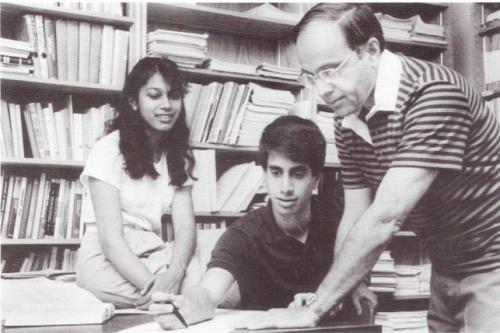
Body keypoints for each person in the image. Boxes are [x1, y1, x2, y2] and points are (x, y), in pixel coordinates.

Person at [234, 3, 500, 332]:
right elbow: (356, 215)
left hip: (493, 265)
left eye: (332, 70)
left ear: (371, 50)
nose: (323, 89)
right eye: (313, 76)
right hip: (445, 267)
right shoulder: (348, 119)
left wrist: (315, 309)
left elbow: (386, 217)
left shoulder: (433, 93)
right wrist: (340, 289)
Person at [149, 115, 377, 330]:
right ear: (264, 174)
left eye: (297, 174)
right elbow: (209, 292)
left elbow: (358, 267)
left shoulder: (341, 220)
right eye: (276, 173)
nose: (285, 188)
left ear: (315, 177)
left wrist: (357, 285)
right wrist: (182, 307)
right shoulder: (242, 235)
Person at [76, 57, 197, 309]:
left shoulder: (178, 155)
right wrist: (156, 287)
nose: (167, 105)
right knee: (188, 295)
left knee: (213, 273)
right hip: (108, 256)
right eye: (154, 96)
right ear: (133, 101)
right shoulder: (108, 149)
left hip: (154, 251)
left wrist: (175, 272)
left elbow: (185, 229)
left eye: (174, 96)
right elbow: (111, 240)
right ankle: (170, 302)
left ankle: (171, 300)